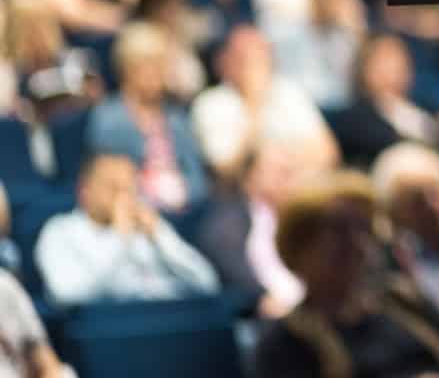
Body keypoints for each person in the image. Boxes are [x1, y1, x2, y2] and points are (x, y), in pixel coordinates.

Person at [253, 173, 439, 378]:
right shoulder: (287, 334)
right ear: (299, 247)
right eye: (339, 231)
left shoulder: (401, 301)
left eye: (364, 228)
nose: (357, 242)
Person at [35, 154, 220, 303]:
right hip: (109, 327)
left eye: (130, 188)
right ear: (85, 191)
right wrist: (121, 239)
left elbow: (207, 282)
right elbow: (67, 295)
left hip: (165, 318)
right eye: (114, 188)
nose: (124, 197)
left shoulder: (149, 228)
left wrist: (161, 236)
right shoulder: (60, 231)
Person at [189, 26, 338, 184]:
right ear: (224, 62)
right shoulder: (212, 103)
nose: (254, 66)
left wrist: (284, 161)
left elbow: (328, 153)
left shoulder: (288, 91)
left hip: (298, 186)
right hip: (244, 195)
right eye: (244, 59)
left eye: (261, 57)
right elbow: (226, 170)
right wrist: (254, 103)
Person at [86, 26, 210, 212]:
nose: (158, 74)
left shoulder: (176, 118)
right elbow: (109, 178)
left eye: (162, 66)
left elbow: (198, 178)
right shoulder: (109, 118)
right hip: (131, 210)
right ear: (127, 69)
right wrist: (150, 199)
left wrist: (182, 193)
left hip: (183, 210)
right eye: (149, 66)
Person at [196, 142, 307, 319]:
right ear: (251, 175)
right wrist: (260, 298)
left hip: (304, 305)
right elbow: (232, 270)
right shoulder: (229, 222)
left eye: (291, 173)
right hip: (262, 313)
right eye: (280, 172)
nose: (288, 180)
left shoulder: (300, 218)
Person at [370, 143, 439, 325]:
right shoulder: (395, 266)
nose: (432, 206)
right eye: (417, 200)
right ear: (395, 213)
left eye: (435, 192)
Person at [331, 37, 439, 169]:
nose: (392, 69)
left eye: (399, 61)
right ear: (364, 68)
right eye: (385, 61)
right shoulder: (352, 118)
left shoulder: (424, 114)